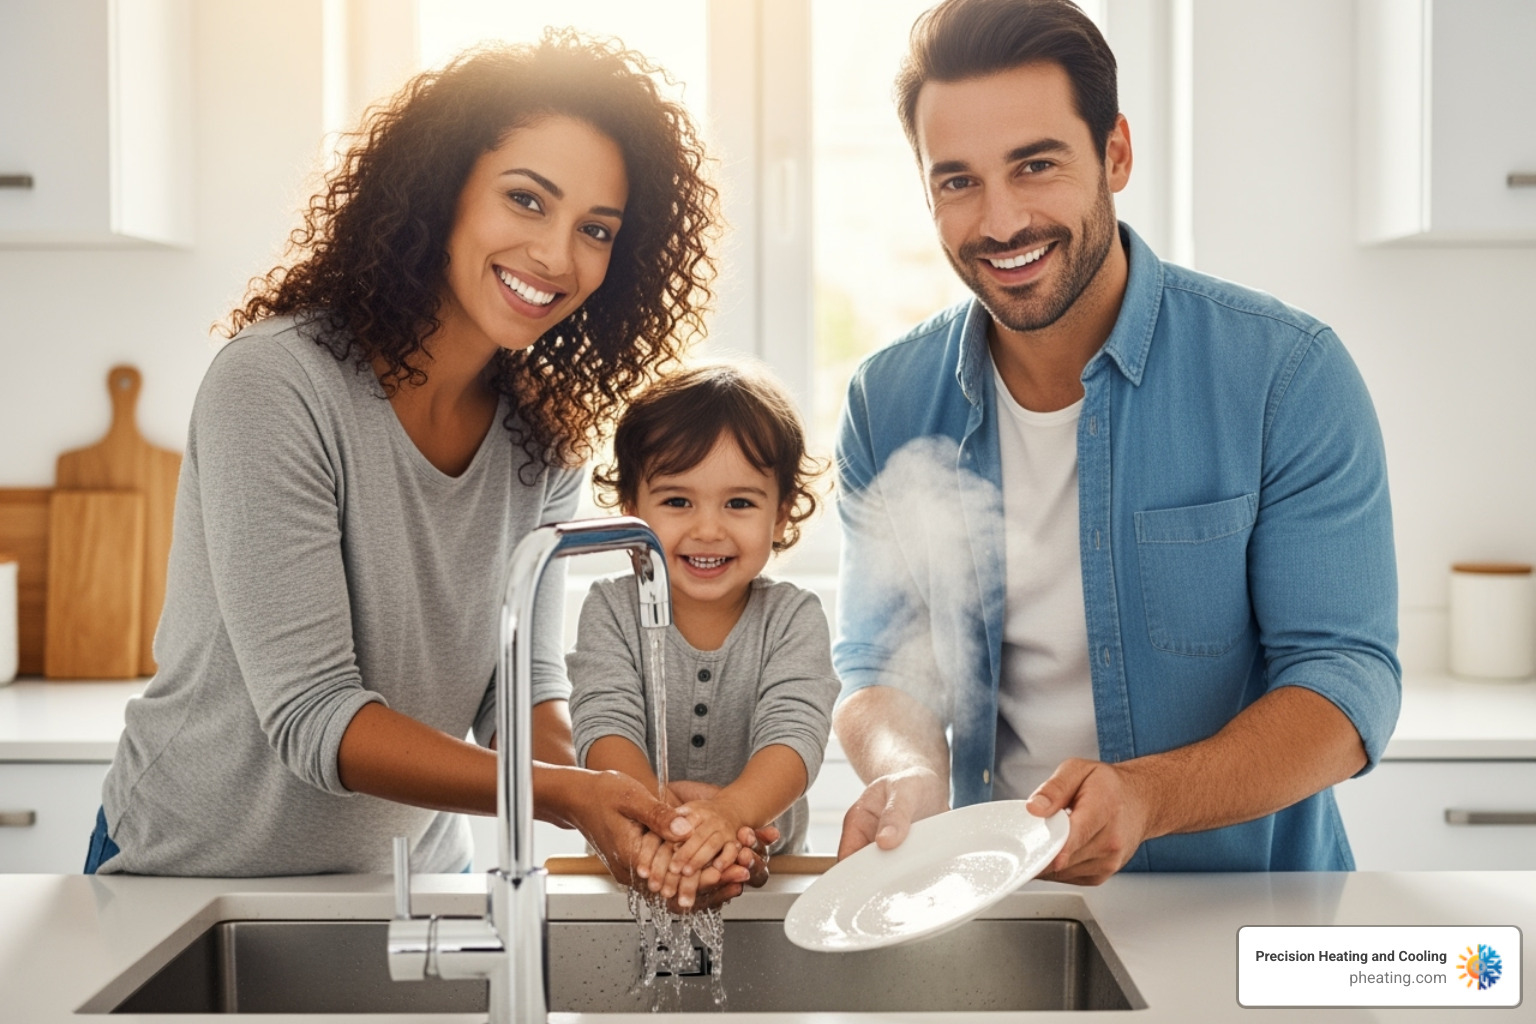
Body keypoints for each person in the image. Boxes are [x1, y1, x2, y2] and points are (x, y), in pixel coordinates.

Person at [86, 31, 764, 900]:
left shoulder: (542, 436)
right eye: (526, 200)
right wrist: (569, 796)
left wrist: (633, 804)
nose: (558, 257)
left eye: (595, 229)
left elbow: (520, 694)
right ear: (442, 191)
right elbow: (314, 716)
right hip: (187, 879)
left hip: (407, 883)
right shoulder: (276, 383)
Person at [833, 0, 1399, 882]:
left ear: (1116, 154)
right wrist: (908, 771)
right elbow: (879, 663)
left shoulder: (1284, 374)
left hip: (1243, 908)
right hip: (1000, 901)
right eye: (958, 181)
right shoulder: (888, 401)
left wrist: (1145, 796)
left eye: (1036, 165)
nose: (1000, 221)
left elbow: (1345, 682)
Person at [568, 362, 840, 908]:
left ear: (782, 514)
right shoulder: (610, 609)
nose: (708, 528)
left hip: (769, 879)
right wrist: (663, 827)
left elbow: (795, 735)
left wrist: (731, 815)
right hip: (639, 864)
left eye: (739, 503)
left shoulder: (793, 618)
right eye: (676, 501)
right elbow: (604, 725)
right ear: (630, 511)